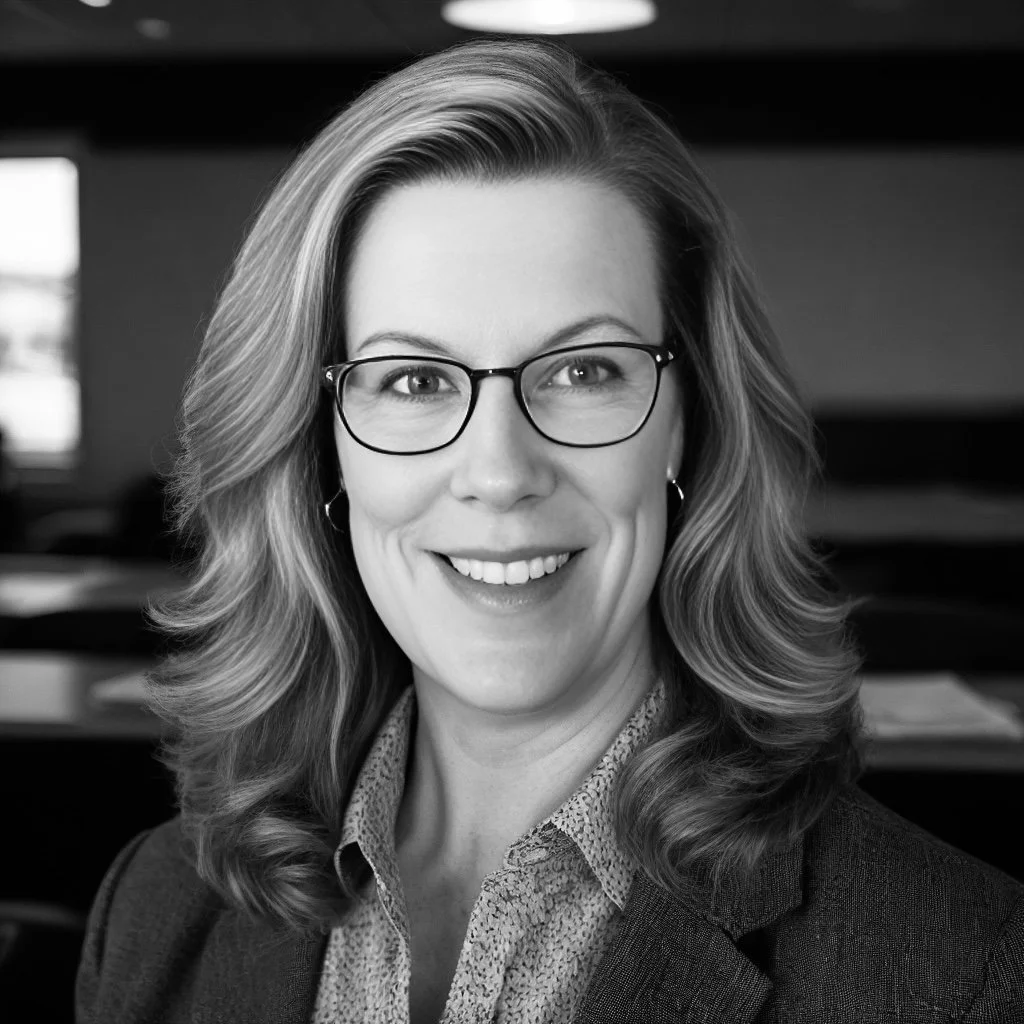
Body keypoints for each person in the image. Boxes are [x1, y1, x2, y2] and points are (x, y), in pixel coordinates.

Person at [75, 36, 1023, 1024]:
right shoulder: (152, 910)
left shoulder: (964, 973)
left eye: (582, 371)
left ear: (684, 421)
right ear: (323, 447)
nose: (499, 472)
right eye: (413, 380)